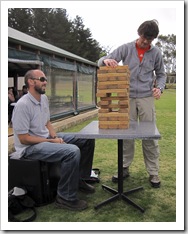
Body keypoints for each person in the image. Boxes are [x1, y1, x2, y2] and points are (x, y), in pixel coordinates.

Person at [10, 69, 95, 211]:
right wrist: (51, 142)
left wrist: (55, 137)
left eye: (45, 79)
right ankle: (65, 198)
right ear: (31, 82)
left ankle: (79, 180)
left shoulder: (43, 98)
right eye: (42, 79)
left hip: (46, 138)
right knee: (72, 151)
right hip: (29, 148)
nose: (46, 82)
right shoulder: (22, 106)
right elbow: (24, 139)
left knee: (86, 138)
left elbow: (47, 122)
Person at [98, 20, 166, 188]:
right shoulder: (126, 48)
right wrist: (106, 61)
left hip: (146, 98)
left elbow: (162, 74)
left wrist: (160, 88)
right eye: (144, 38)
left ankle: (153, 172)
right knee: (126, 134)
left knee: (149, 135)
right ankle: (123, 167)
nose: (146, 42)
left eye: (150, 41)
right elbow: (102, 61)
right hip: (125, 97)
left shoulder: (156, 53)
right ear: (139, 33)